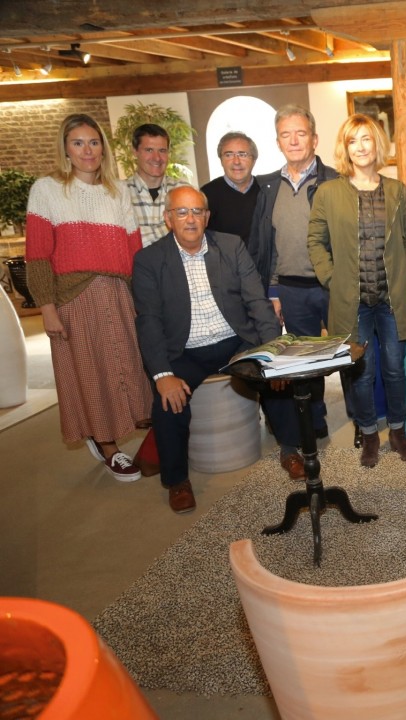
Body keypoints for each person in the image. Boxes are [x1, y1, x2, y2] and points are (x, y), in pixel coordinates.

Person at [132, 186, 304, 513]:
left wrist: (273, 352)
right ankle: (177, 480)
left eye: (197, 211)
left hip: (235, 340)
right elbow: (148, 320)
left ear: (207, 216)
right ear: (168, 218)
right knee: (168, 401)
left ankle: (290, 449)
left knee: (276, 377)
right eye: (182, 212)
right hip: (185, 350)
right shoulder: (149, 260)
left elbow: (257, 301)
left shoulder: (230, 246)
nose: (190, 219)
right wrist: (162, 374)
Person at [25, 113, 154, 481]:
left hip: (118, 293)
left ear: (103, 148)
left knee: (127, 365)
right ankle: (106, 443)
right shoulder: (47, 190)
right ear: (65, 148)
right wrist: (47, 307)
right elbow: (37, 255)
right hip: (73, 298)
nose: (87, 150)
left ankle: (127, 424)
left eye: (94, 142)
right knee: (91, 373)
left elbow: (133, 250)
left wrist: (141, 300)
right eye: (78, 143)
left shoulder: (118, 191)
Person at [308, 114, 406, 468]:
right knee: (362, 372)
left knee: (395, 369)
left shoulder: (398, 190)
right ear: (345, 148)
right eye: (352, 141)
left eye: (366, 139)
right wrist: (332, 278)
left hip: (391, 300)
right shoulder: (328, 193)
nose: (360, 147)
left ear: (377, 144)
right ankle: (370, 434)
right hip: (352, 302)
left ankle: (398, 432)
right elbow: (315, 241)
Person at [247, 105, 339, 440]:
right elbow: (268, 245)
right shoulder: (268, 187)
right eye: (286, 135)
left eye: (301, 133)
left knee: (347, 353)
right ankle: (316, 417)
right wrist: (273, 291)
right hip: (292, 290)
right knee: (307, 360)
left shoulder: (334, 181)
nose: (294, 140)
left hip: (332, 286)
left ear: (314, 139)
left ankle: (363, 422)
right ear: (278, 142)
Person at [125, 123, 188, 247]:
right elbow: (118, 241)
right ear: (135, 151)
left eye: (162, 151)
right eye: (149, 150)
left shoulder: (183, 190)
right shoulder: (119, 193)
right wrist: (171, 228)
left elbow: (193, 234)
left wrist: (136, 236)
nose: (157, 158)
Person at [201, 131, 260, 243]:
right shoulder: (206, 195)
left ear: (254, 160)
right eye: (228, 155)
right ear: (221, 160)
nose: (236, 161)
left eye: (242, 154)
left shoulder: (266, 191)